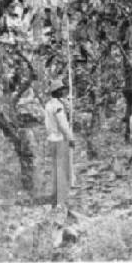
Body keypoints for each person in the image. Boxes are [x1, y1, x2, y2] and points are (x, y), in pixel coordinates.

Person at [44, 79, 75, 207]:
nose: (64, 91)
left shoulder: (49, 104)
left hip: (52, 139)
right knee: (63, 170)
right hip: (60, 139)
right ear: (57, 91)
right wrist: (70, 138)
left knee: (57, 169)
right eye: (62, 89)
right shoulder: (57, 106)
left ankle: (56, 198)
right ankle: (62, 200)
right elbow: (62, 124)